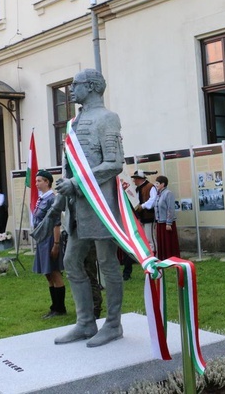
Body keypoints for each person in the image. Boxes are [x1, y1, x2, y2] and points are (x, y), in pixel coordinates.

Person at [49, 68, 125, 348]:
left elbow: (114, 164)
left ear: (91, 86)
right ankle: (85, 322)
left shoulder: (107, 118)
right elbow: (69, 167)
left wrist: (77, 184)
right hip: (77, 208)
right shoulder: (73, 123)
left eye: (75, 84)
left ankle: (113, 324)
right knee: (71, 262)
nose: (71, 89)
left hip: (100, 205)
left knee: (107, 263)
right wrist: (60, 199)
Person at [30, 170, 66, 318]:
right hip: (42, 239)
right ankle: (54, 306)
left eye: (39, 181)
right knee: (47, 273)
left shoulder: (52, 198)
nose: (36, 183)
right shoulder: (42, 199)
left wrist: (56, 244)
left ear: (47, 182)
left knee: (54, 271)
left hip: (51, 238)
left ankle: (60, 308)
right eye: (36, 180)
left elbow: (56, 223)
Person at [122, 170, 156, 280]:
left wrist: (143, 206)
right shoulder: (137, 189)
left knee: (150, 240)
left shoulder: (150, 186)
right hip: (141, 217)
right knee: (145, 240)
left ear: (140, 179)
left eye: (135, 178)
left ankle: (154, 260)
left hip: (148, 216)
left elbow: (153, 200)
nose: (134, 180)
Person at [153, 175, 180, 260]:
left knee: (169, 242)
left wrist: (169, 223)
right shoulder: (158, 194)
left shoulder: (168, 193)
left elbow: (170, 208)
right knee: (161, 242)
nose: (156, 185)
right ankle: (163, 258)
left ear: (163, 184)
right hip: (160, 222)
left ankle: (171, 258)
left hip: (167, 223)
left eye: (157, 183)